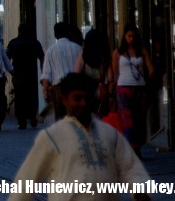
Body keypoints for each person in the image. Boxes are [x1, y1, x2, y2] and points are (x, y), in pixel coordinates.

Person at [9, 73, 151, 201]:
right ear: (64, 100)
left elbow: (129, 166)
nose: (84, 103)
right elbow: (27, 179)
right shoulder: (51, 137)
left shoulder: (109, 133)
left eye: (87, 97)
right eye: (77, 98)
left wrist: (140, 193)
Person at [111, 24, 154, 155]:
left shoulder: (142, 51)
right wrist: (111, 89)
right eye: (129, 36)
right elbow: (115, 73)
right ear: (124, 37)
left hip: (140, 88)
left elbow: (150, 67)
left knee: (139, 119)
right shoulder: (118, 52)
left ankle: (136, 147)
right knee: (127, 119)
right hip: (123, 87)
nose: (131, 39)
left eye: (133, 36)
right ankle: (130, 149)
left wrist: (151, 73)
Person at [41, 21, 83, 120]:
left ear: (55, 34)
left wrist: (45, 92)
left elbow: (46, 74)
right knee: (75, 117)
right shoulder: (78, 48)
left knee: (60, 118)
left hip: (58, 89)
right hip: (74, 86)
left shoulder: (50, 50)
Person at [7, 23, 45, 129]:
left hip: (18, 74)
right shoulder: (35, 42)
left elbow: (6, 58)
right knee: (32, 96)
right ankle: (32, 117)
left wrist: (11, 72)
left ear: (18, 31)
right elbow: (42, 57)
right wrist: (43, 72)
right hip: (32, 74)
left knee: (19, 97)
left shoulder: (13, 43)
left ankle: (21, 120)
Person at [75, 29, 113, 116]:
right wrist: (110, 95)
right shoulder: (105, 56)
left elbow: (77, 74)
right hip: (101, 94)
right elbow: (110, 78)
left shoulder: (83, 55)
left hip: (86, 93)